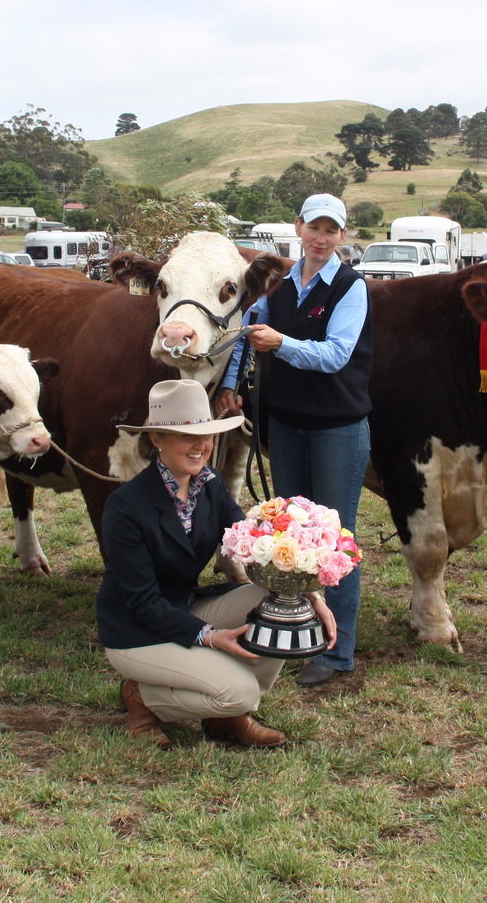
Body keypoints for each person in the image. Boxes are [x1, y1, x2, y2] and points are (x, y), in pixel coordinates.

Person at [98, 379, 336, 748]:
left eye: (206, 434)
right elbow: (141, 601)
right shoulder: (126, 507)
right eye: (187, 436)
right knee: (239, 692)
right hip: (136, 631)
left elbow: (255, 540)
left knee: (279, 599)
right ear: (158, 439)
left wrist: (311, 594)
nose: (201, 446)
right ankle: (143, 696)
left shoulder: (210, 485)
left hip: (186, 604)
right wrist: (210, 637)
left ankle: (224, 714)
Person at [215, 192, 372, 688]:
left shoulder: (351, 287)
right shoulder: (278, 288)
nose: (322, 238)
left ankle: (338, 650)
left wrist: (281, 343)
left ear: (342, 236)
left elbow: (336, 355)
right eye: (314, 228)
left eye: (332, 230)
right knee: (289, 532)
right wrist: (228, 384)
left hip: (337, 428)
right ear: (299, 228)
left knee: (335, 538)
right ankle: (295, 631)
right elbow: (245, 333)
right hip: (285, 426)